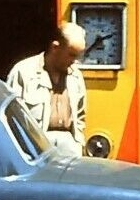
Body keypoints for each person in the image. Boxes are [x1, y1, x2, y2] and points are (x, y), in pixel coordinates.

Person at [5, 22, 88, 156]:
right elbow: (10, 116)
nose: (75, 61)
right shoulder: (23, 72)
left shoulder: (76, 76)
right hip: (34, 145)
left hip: (69, 144)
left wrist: (78, 142)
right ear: (55, 47)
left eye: (78, 56)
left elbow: (80, 115)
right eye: (71, 55)